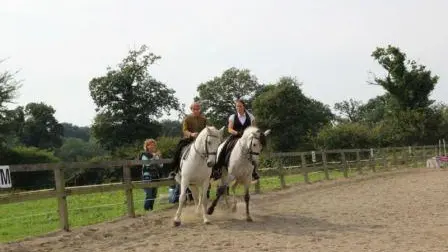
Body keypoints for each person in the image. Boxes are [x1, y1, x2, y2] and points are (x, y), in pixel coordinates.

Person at [212, 99, 260, 181]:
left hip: (247, 139)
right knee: (223, 147)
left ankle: (254, 172)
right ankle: (218, 169)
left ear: (244, 106)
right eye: (237, 106)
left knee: (255, 150)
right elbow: (229, 129)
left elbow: (254, 129)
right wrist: (237, 133)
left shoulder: (251, 117)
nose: (238, 108)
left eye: (240, 106)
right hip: (235, 136)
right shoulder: (232, 117)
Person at [169, 102, 207, 178]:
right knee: (178, 150)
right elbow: (184, 130)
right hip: (189, 139)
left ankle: (215, 170)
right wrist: (191, 134)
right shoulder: (187, 118)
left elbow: (207, 129)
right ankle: (174, 170)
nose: (196, 111)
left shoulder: (204, 119)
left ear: (200, 109)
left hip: (201, 141)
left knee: (212, 149)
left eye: (197, 109)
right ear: (191, 109)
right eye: (194, 109)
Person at [140, 138, 163, 211]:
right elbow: (147, 164)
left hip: (155, 176)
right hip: (147, 176)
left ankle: (151, 209)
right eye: (151, 145)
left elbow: (161, 165)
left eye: (154, 145)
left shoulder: (156, 155)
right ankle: (146, 210)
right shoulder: (144, 155)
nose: (153, 146)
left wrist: (159, 158)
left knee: (154, 194)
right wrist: (154, 156)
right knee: (149, 194)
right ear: (147, 146)